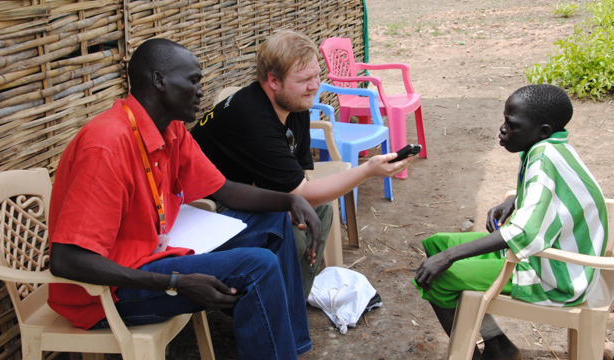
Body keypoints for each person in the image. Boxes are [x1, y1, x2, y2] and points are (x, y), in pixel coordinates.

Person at [47, 38, 323, 359]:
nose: (201, 91)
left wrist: (289, 202)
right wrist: (175, 281)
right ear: (160, 81)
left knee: (275, 220)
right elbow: (66, 260)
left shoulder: (172, 131)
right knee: (257, 266)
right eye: (193, 81)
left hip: (155, 256)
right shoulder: (106, 146)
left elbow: (225, 190)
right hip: (106, 296)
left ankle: (290, 347)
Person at [191, 30, 413, 297]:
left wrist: (295, 204)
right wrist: (368, 170)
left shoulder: (294, 105)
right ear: (273, 80)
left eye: (317, 75)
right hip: (207, 206)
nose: (315, 85)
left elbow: (301, 177)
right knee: (291, 235)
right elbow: (300, 194)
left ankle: (292, 300)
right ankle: (265, 310)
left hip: (246, 189)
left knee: (321, 213)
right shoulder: (254, 121)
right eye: (305, 79)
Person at [413, 84, 609, 360]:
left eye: (512, 125)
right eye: (505, 120)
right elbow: (555, 192)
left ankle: (470, 355)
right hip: (556, 257)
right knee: (436, 245)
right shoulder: (550, 147)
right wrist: (517, 199)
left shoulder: (543, 161)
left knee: (439, 277)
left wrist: (451, 256)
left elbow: (524, 232)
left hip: (557, 274)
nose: (503, 129)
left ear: (542, 130)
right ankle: (499, 345)